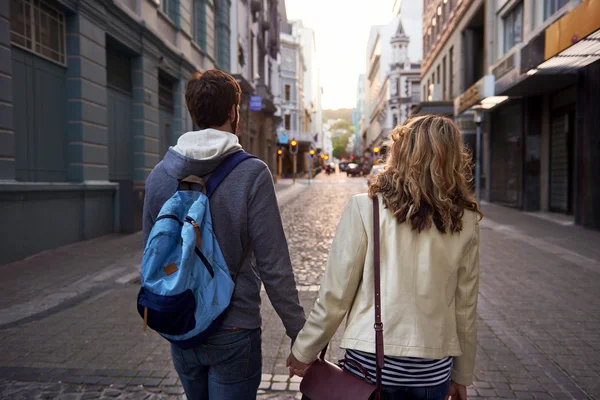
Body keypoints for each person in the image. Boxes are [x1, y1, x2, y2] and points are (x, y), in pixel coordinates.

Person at [287, 115, 482, 400]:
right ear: (453, 158)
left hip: (369, 365)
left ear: (400, 152)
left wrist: (304, 349)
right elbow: (465, 307)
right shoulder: (465, 219)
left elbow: (336, 295)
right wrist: (462, 375)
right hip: (432, 371)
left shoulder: (366, 207)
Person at [143, 70, 306, 399]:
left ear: (193, 111)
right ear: (234, 112)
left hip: (183, 323)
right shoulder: (252, 173)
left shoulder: (159, 175)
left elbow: (150, 258)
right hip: (235, 329)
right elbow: (274, 266)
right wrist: (301, 335)